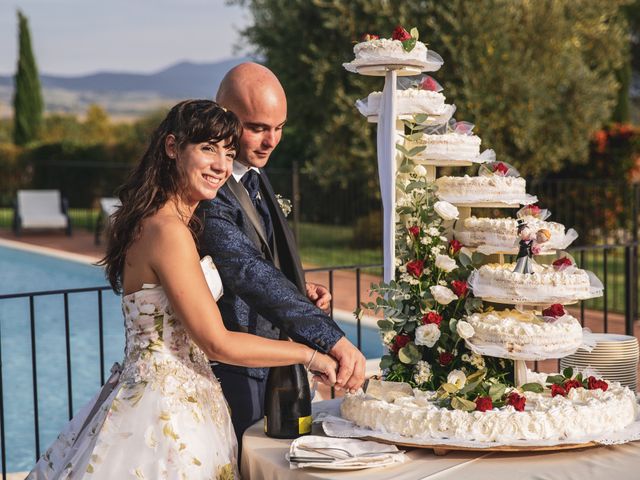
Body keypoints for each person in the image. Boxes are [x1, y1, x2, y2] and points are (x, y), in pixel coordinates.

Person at [27, 100, 338, 479]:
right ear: (172, 148)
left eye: (228, 151)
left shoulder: (170, 222)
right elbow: (217, 342)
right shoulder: (168, 231)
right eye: (208, 148)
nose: (222, 165)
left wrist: (298, 290)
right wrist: (311, 355)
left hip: (186, 402)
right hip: (164, 419)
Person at [197, 63, 366, 450]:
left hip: (273, 359)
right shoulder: (208, 192)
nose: (271, 140)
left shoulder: (254, 174)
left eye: (279, 127)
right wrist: (331, 341)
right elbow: (246, 270)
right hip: (236, 369)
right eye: (257, 127)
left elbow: (260, 257)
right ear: (222, 118)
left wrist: (298, 287)